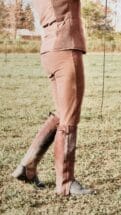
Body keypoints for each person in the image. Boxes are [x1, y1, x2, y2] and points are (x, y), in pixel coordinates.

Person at [11, 0, 94, 196]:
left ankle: (27, 167)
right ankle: (65, 182)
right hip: (66, 47)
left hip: (49, 49)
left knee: (62, 113)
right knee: (69, 117)